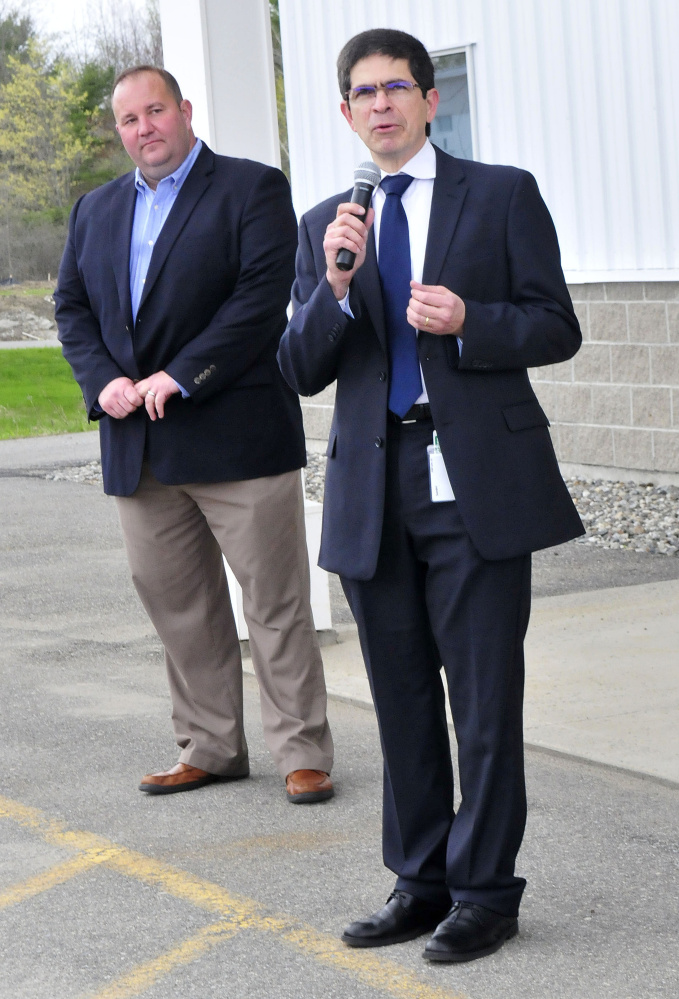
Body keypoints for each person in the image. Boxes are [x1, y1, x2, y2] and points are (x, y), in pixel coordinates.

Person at [278, 28, 584, 960]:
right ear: (344, 112)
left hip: (474, 478)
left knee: (483, 699)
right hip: (376, 484)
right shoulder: (331, 222)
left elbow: (554, 325)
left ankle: (486, 890)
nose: (380, 104)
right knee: (401, 694)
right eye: (362, 93)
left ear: (428, 99)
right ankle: (420, 880)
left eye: (396, 87)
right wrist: (333, 284)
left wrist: (471, 320)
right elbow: (297, 367)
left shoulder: (500, 195)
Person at [55, 65, 333, 805]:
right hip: (138, 444)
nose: (143, 128)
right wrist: (101, 382)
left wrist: (180, 374)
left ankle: (302, 752)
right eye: (128, 119)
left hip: (236, 436)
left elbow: (258, 300)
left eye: (155, 111)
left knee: (274, 603)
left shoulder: (251, 188)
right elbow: (72, 308)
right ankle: (209, 746)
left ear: (184, 110)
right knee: (180, 608)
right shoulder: (95, 209)